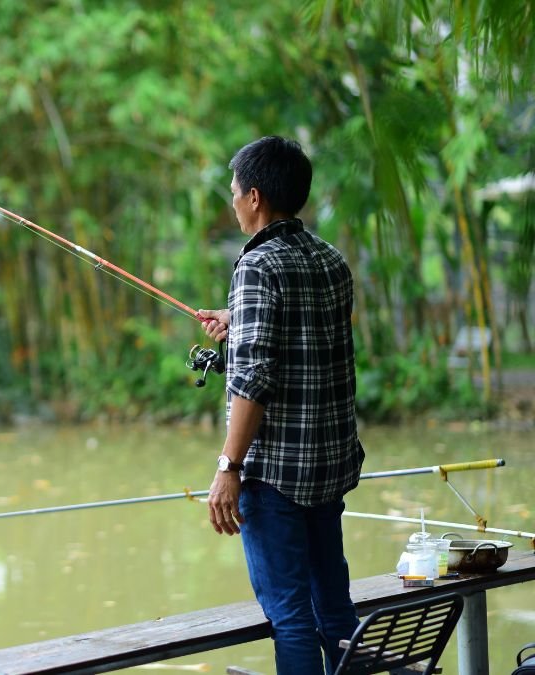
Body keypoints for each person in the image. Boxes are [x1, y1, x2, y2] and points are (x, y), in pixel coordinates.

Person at [197, 136, 365, 675]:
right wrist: (237, 320)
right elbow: (308, 349)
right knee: (334, 612)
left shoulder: (256, 268)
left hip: (274, 480)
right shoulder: (332, 262)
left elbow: (253, 381)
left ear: (254, 197)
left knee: (290, 618)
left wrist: (229, 467)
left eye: (233, 193)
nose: (231, 203)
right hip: (326, 469)